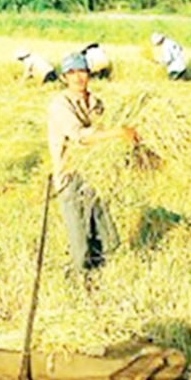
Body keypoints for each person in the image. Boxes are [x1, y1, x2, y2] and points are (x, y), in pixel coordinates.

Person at [47, 52, 139, 272]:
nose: (78, 78)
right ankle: (77, 284)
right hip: (70, 178)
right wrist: (118, 132)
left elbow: (104, 136)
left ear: (89, 74)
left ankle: (103, 281)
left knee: (106, 237)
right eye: (71, 73)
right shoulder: (60, 105)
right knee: (80, 245)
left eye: (82, 72)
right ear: (63, 78)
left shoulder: (96, 102)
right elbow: (81, 136)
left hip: (95, 176)